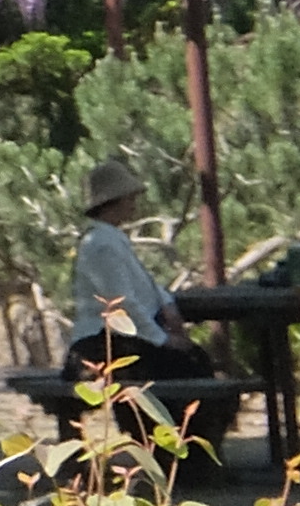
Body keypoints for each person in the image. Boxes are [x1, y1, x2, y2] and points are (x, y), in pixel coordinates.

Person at [64, 159, 215, 380]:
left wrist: (167, 303)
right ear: (113, 202)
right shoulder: (101, 244)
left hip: (127, 335)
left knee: (195, 360)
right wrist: (162, 339)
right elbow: (121, 301)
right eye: (130, 198)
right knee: (190, 363)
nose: (134, 203)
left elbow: (144, 281)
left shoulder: (111, 238)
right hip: (105, 340)